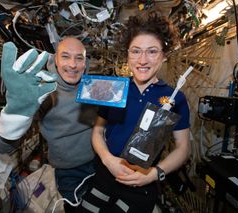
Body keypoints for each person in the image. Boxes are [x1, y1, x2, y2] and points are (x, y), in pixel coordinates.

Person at [77, 14, 191, 213]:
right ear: (127, 54)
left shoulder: (175, 97)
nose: (143, 60)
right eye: (136, 51)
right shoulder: (113, 88)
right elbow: (97, 132)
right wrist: (107, 159)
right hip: (105, 175)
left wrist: (153, 175)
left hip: (142, 184)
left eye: (152, 52)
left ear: (164, 56)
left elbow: (183, 148)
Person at [0, 37, 96, 212]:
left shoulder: (93, 85)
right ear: (55, 59)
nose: (72, 64)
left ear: (85, 63)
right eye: (65, 56)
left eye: (79, 58)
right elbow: (2, 147)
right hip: (69, 171)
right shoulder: (43, 91)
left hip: (99, 161)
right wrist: (15, 115)